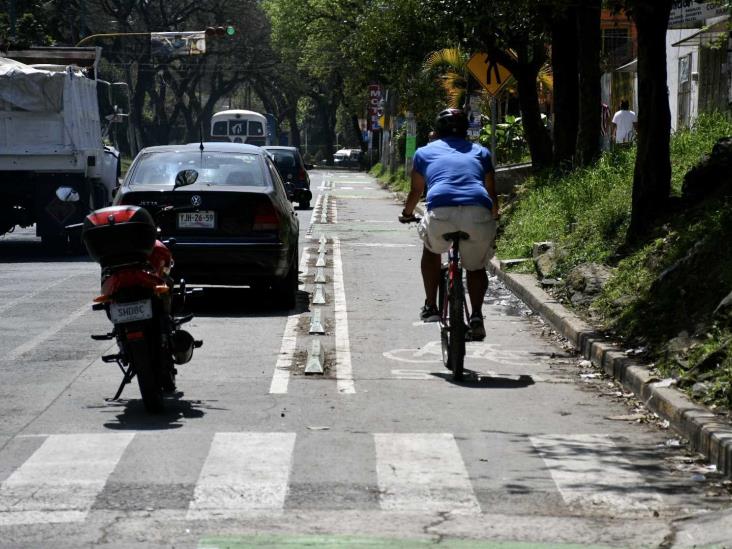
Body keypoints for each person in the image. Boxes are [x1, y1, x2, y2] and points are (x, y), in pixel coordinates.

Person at [399, 108, 499, 341]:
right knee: (476, 267)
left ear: (437, 131)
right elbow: (492, 194)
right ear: (466, 130)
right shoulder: (481, 152)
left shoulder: (424, 153)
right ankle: (476, 316)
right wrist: (494, 216)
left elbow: (416, 191)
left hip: (441, 212)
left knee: (431, 249)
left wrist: (406, 213)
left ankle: (431, 306)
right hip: (478, 213)